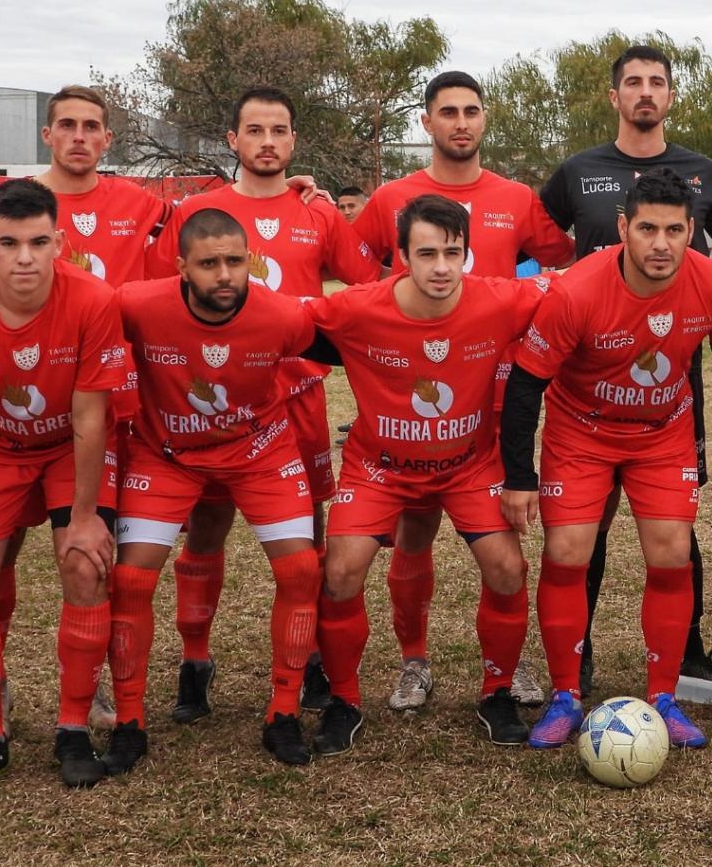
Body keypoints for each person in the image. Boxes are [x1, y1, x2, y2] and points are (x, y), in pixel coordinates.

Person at [145, 86, 380, 722]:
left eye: (279, 130)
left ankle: (310, 661)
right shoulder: (199, 210)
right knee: (206, 528)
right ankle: (195, 658)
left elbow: (371, 286)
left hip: (295, 397)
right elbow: (154, 294)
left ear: (294, 140)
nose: (267, 142)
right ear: (233, 140)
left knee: (308, 539)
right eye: (254, 131)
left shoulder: (318, 212)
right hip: (216, 401)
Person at [501, 169, 712, 750]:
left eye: (673, 230)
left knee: (670, 557)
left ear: (692, 230)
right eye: (646, 229)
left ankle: (663, 695)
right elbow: (525, 384)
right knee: (566, 555)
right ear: (622, 228)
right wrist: (519, 475)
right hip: (580, 433)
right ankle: (565, 692)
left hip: (662, 434)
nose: (660, 244)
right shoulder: (576, 290)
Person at [348, 70, 574, 711]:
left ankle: (511, 662)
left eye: (471, 110)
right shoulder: (393, 196)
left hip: (497, 396)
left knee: (505, 542)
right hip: (417, 394)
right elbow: (357, 263)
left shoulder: (514, 196)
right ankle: (413, 661)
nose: (461, 122)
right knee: (414, 530)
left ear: (484, 118)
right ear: (426, 123)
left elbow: (557, 259)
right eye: (447, 111)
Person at [0, 85, 176, 733]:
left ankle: (93, 689)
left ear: (108, 139)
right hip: (18, 414)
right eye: (67, 125)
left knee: (92, 556)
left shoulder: (141, 207)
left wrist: (301, 185)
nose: (80, 136)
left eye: (92, 126)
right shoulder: (14, 209)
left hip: (105, 411)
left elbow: (178, 273)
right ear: (46, 135)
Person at [305, 194, 553, 754]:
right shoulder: (358, 307)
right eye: (426, 254)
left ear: (467, 253)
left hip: (470, 465)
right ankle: (344, 701)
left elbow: (574, 280)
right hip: (380, 468)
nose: (441, 267)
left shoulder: (500, 300)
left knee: (508, 567)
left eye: (453, 252)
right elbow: (275, 315)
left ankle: (496, 692)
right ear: (401, 255)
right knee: (340, 572)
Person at [539, 45, 712, 701]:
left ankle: (689, 655)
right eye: (633, 82)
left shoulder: (702, 172)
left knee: (673, 533)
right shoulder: (578, 171)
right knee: (583, 531)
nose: (645, 92)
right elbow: (533, 242)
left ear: (670, 96)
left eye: (657, 82)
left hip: (670, 389)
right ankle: (582, 653)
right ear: (614, 96)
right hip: (589, 384)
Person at [0, 179, 127, 795]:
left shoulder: (93, 299)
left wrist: (87, 515)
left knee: (85, 566)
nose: (25, 258)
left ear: (60, 242)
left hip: (69, 448)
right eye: (8, 243)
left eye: (39, 242)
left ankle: (72, 728)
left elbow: (92, 416)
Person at [103, 208, 324, 772]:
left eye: (235, 261)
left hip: (260, 451)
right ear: (180, 266)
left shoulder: (282, 316)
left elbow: (352, 340)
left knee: (301, 571)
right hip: (167, 454)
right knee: (129, 580)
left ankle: (284, 712)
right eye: (209, 264)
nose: (224, 275)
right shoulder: (137, 304)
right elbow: (77, 322)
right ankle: (133, 717)